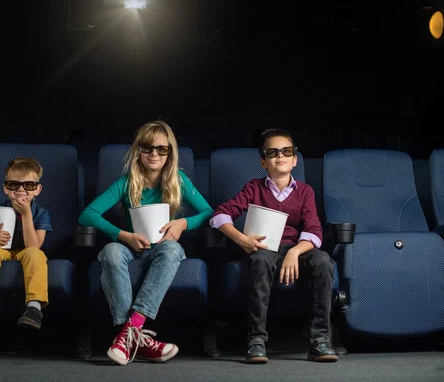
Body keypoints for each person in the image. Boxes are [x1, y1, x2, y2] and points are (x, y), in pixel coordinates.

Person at [78, 120, 213, 365]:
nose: (154, 154)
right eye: (148, 147)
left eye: (161, 149)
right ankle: (134, 338)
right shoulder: (127, 182)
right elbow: (88, 214)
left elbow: (208, 213)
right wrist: (122, 235)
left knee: (172, 248)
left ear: (170, 153)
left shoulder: (178, 180)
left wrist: (183, 224)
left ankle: (130, 330)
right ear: (138, 150)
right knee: (111, 251)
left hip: (162, 248)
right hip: (131, 247)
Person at [209, 128, 338, 364]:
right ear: (263, 161)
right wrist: (241, 239)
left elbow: (314, 231)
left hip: (297, 248)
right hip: (265, 248)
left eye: (286, 151)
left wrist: (295, 252)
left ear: (294, 160)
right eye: (273, 152)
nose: (280, 156)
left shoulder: (304, 191)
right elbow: (219, 216)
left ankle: (320, 339)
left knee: (324, 261)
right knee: (260, 260)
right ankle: (256, 340)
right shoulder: (254, 188)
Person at [0, 157, 52, 333]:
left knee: (37, 255)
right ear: (6, 188)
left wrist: (27, 214)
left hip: (27, 251)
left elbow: (34, 246)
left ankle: (34, 308)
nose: (21, 190)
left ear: (37, 189)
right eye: (14, 185)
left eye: (28, 185)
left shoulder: (41, 213)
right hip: (2, 251)